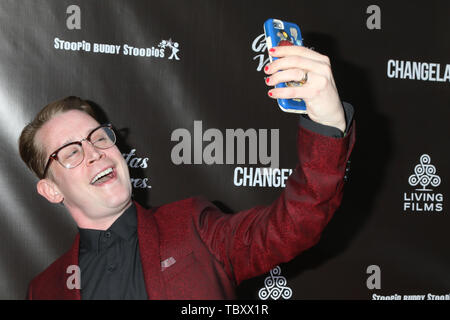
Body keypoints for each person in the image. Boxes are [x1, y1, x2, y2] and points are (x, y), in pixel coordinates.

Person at [19, 45, 355, 299]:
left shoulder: (194, 226)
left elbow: (294, 225)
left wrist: (327, 124)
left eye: (99, 137)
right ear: (51, 190)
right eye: (72, 152)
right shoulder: (45, 289)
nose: (94, 153)